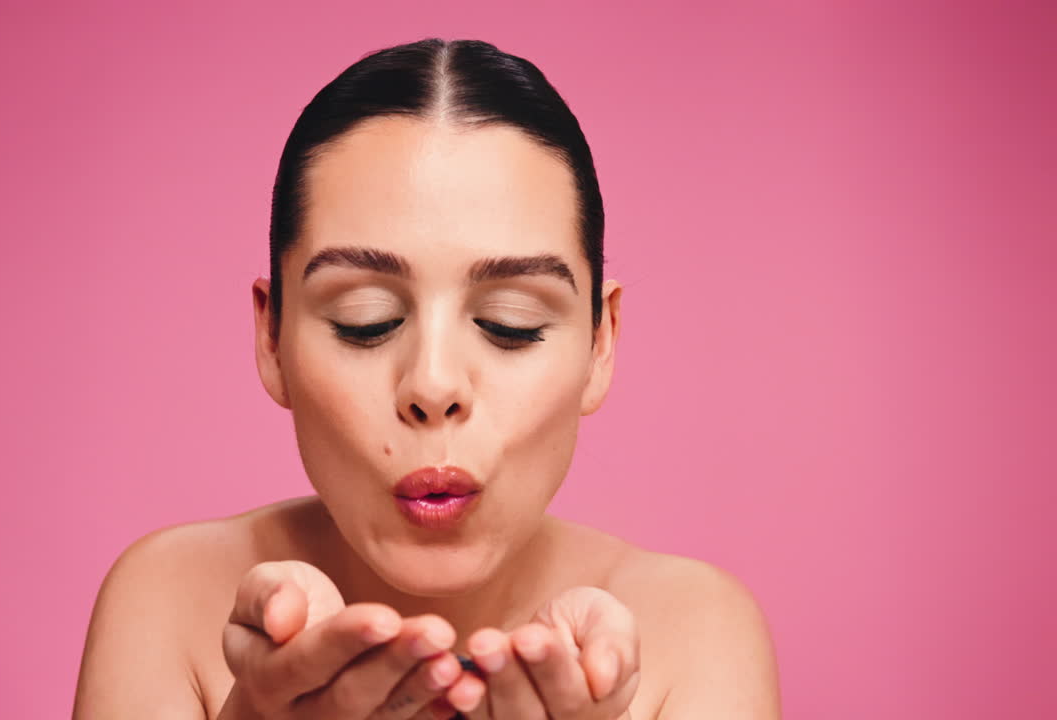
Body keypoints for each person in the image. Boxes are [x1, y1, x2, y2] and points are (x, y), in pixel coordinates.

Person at [73, 38, 781, 720]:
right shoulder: (170, 600)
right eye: (365, 320)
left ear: (600, 344)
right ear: (271, 338)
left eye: (510, 323)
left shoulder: (694, 633)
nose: (434, 386)